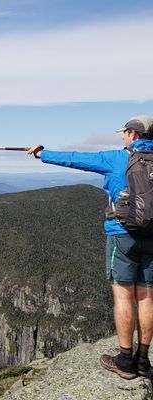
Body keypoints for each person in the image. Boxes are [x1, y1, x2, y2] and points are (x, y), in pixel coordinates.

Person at [28, 116, 153, 380]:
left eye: (125, 133)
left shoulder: (117, 159)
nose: (123, 137)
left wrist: (42, 153)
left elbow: (76, 158)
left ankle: (125, 360)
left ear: (132, 133)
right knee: (147, 297)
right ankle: (144, 360)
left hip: (122, 236)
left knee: (123, 296)